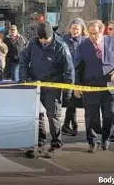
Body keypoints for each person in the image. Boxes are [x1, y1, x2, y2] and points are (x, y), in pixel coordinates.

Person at [20, 22, 74, 159]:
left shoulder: (61, 46)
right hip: (36, 84)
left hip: (53, 85)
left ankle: (56, 144)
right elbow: (24, 60)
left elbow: (69, 70)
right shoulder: (33, 43)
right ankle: (39, 143)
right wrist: (23, 77)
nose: (44, 41)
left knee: (53, 116)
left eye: (46, 39)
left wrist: (67, 92)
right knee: (37, 116)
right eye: (41, 39)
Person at [74, 20, 114, 153]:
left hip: (111, 85)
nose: (92, 36)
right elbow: (78, 68)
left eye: (95, 33)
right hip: (91, 85)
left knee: (112, 114)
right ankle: (93, 141)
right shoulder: (83, 45)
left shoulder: (113, 42)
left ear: (102, 31)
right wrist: (77, 86)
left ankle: (106, 137)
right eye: (90, 33)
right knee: (91, 116)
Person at [61, 18, 88, 136]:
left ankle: (68, 125)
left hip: (81, 75)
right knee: (71, 101)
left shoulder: (85, 41)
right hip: (68, 75)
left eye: (77, 29)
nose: (75, 31)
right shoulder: (63, 40)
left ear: (82, 30)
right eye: (73, 28)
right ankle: (71, 125)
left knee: (75, 101)